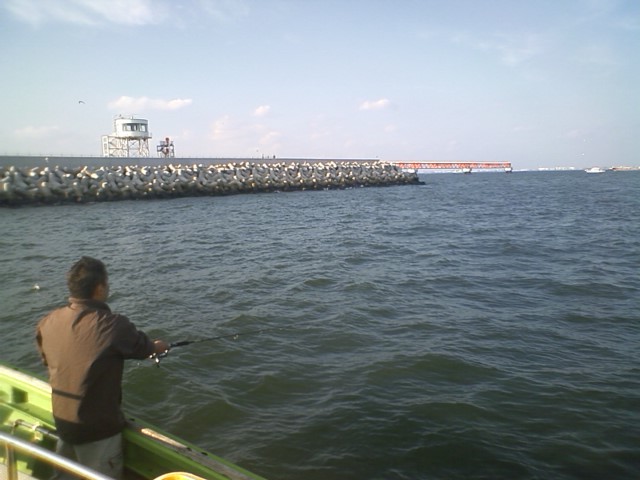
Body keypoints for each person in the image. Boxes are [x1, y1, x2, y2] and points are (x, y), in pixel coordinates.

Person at [36, 256, 169, 479]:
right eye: (107, 283)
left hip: (63, 424)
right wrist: (160, 346)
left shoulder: (47, 321)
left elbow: (48, 361)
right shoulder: (113, 325)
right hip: (98, 431)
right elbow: (145, 348)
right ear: (99, 288)